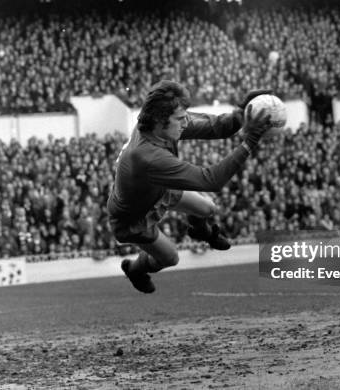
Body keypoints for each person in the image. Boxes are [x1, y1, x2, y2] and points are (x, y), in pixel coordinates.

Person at [107, 80, 272, 293]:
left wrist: (242, 110)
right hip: (133, 218)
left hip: (157, 190)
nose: (185, 122)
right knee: (170, 258)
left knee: (208, 208)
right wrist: (250, 141)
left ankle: (200, 231)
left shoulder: (162, 124)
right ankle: (135, 269)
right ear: (159, 120)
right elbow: (210, 180)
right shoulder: (147, 155)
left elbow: (219, 127)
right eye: (179, 118)